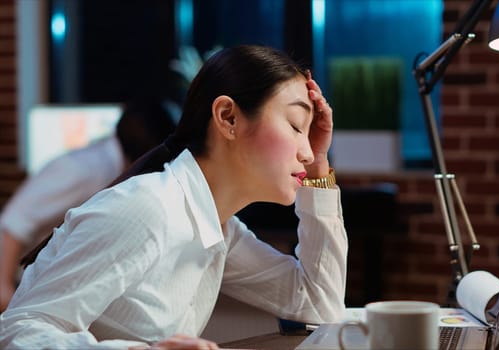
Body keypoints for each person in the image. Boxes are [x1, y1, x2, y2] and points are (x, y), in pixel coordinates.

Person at [0, 45, 348, 349]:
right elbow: (16, 333)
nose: (307, 151)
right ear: (228, 118)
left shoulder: (218, 227)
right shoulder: (147, 210)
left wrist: (319, 173)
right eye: (295, 125)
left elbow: (319, 304)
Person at [0, 99, 177, 312]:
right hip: (27, 287)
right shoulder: (85, 168)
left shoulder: (111, 166)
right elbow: (13, 223)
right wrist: (5, 293)